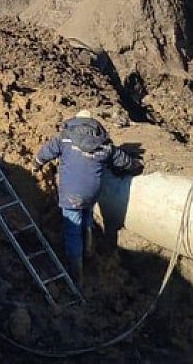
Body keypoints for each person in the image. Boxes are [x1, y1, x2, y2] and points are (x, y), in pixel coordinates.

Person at [34, 110, 139, 287]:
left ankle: (76, 273)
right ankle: (88, 248)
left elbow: (47, 151)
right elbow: (123, 161)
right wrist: (136, 165)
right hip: (92, 192)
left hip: (71, 193)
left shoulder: (65, 139)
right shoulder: (103, 144)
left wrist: (36, 164)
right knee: (87, 214)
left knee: (72, 229)